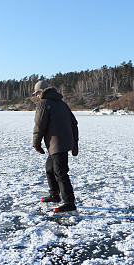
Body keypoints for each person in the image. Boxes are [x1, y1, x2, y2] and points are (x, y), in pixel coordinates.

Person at [32, 80, 79, 213]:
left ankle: (69, 202)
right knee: (50, 168)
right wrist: (75, 142)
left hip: (57, 144)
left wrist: (36, 143)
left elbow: (39, 125)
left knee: (60, 172)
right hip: (61, 143)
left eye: (37, 93)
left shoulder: (43, 103)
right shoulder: (62, 104)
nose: (36, 96)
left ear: (41, 92)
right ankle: (55, 195)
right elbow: (74, 124)